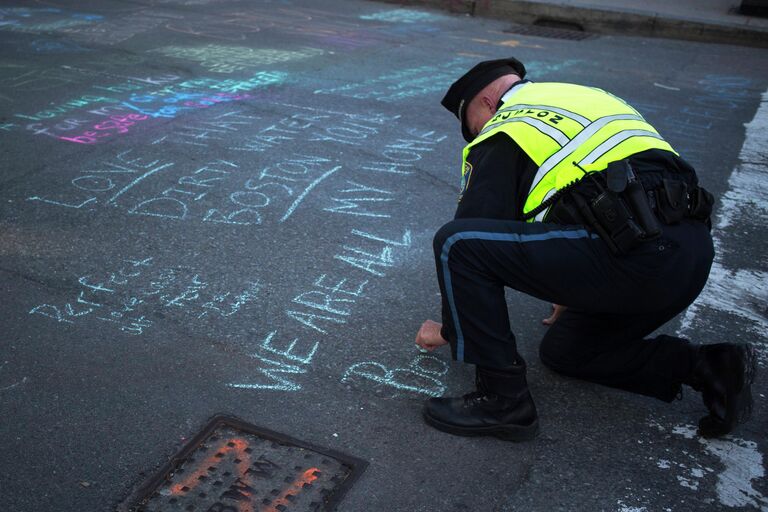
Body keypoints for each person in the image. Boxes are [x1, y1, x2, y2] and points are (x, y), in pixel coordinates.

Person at [415, 57, 756, 441]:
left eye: (471, 126)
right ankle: (710, 366)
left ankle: (503, 401)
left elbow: (473, 228)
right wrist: (568, 273)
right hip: (688, 254)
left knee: (457, 245)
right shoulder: (584, 97)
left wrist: (449, 328)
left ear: (487, 103)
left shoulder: (509, 125)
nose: (477, 136)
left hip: (634, 256)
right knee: (567, 351)